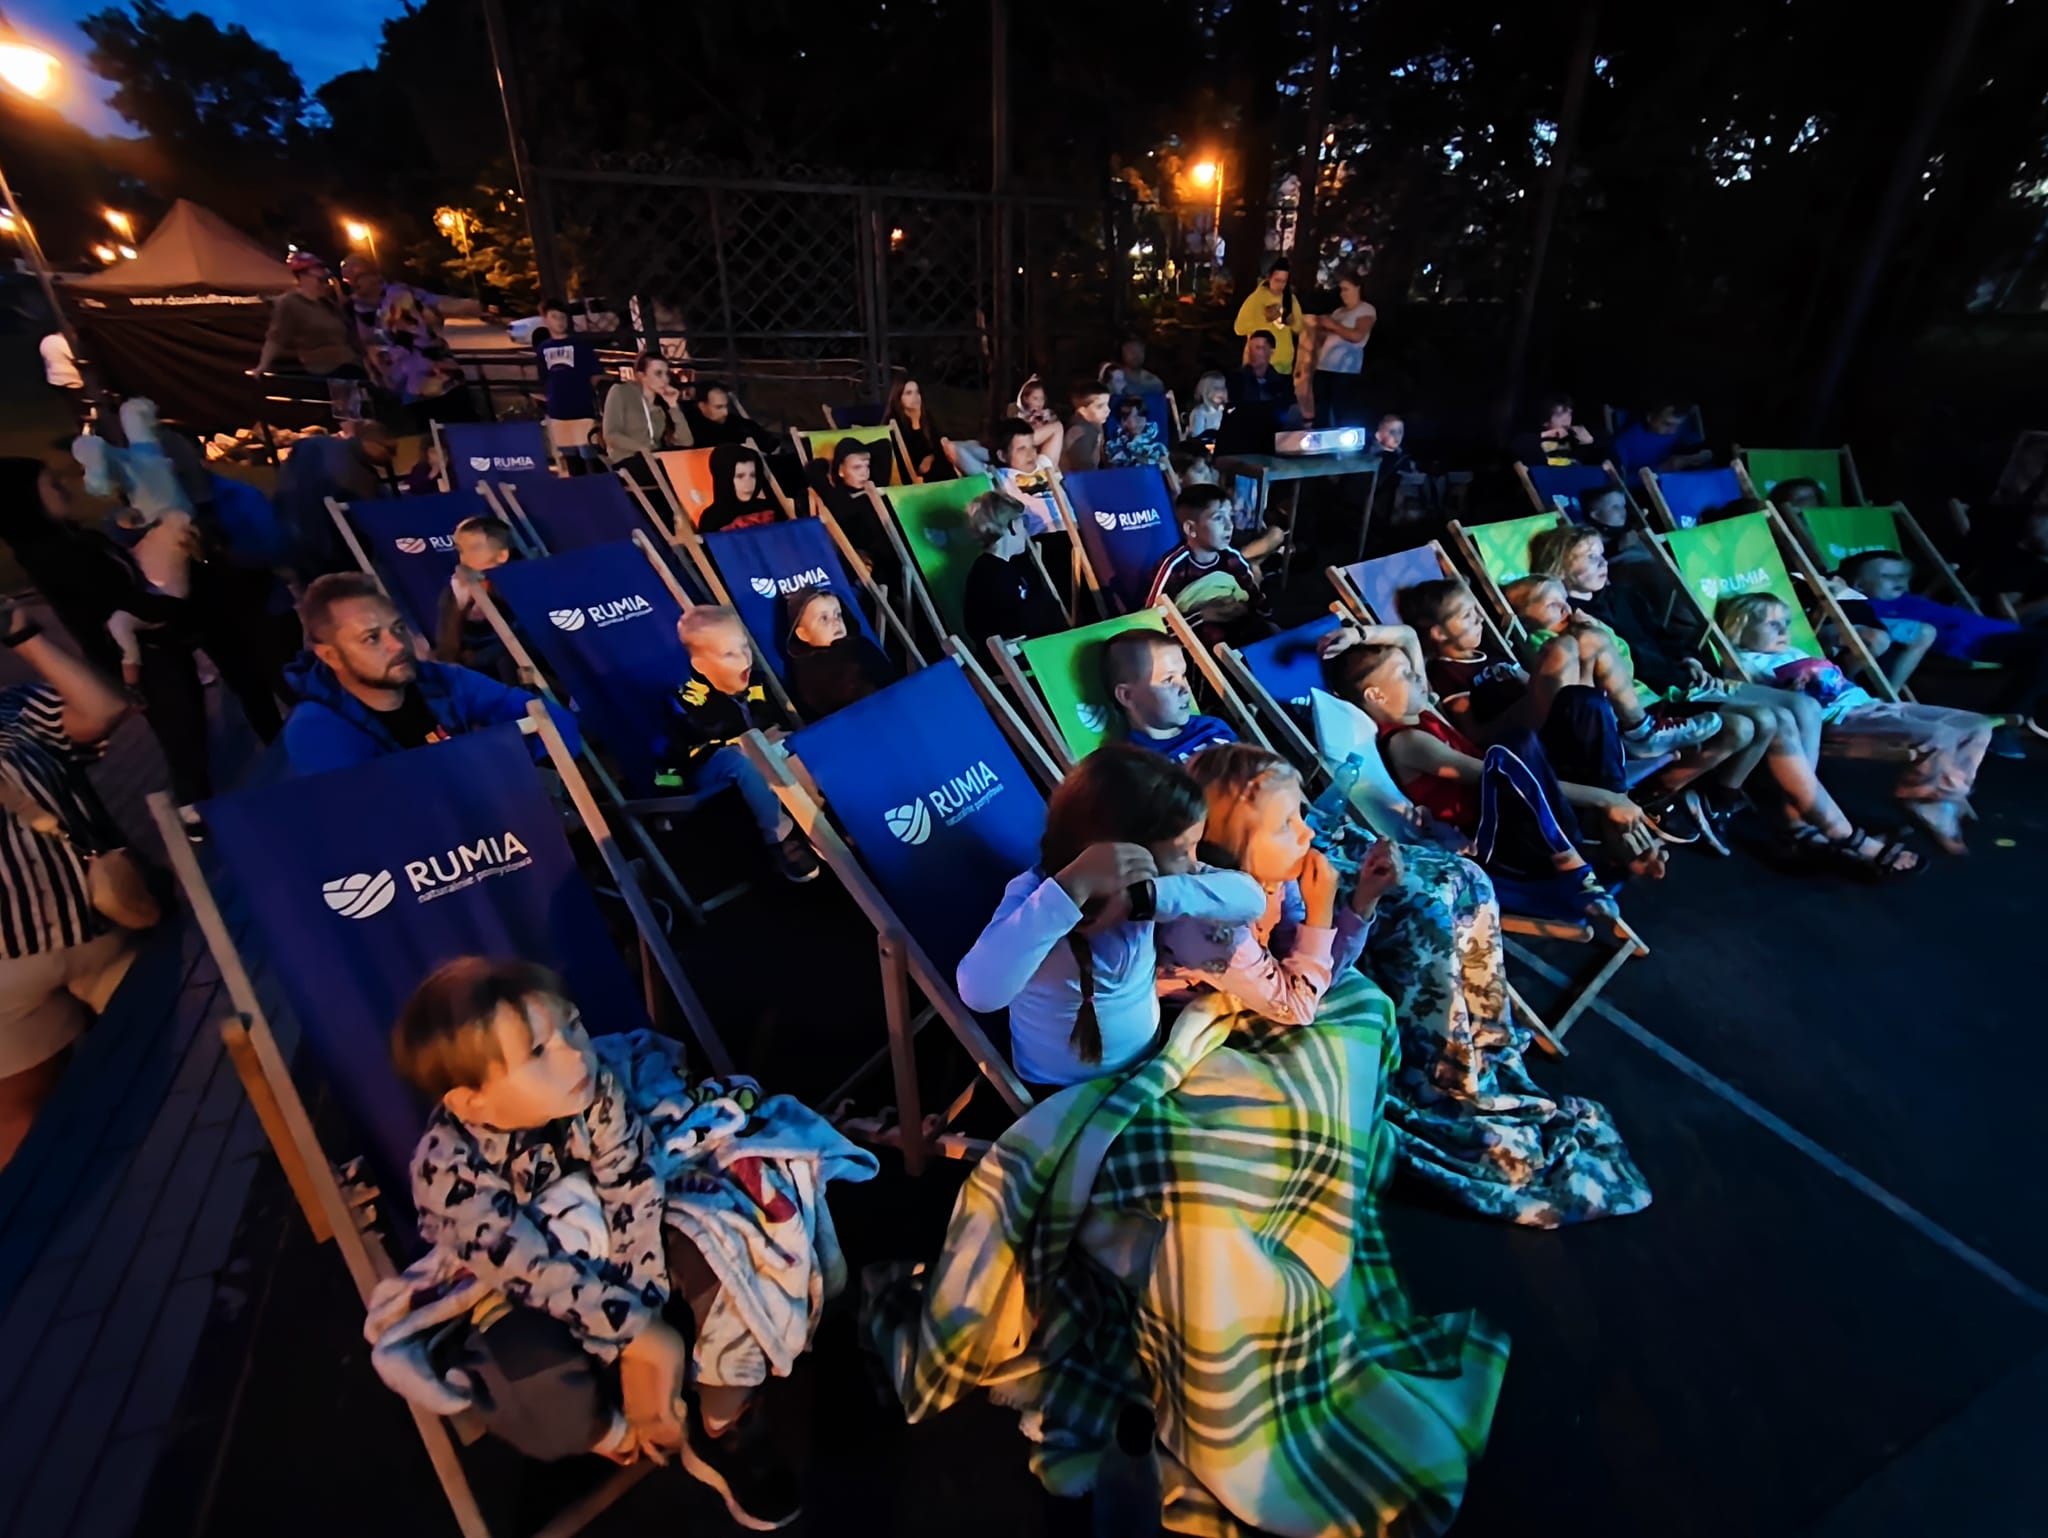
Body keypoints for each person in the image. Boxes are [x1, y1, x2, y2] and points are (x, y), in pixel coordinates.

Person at [369, 957, 876, 1528]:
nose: (575, 1053)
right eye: (538, 1053)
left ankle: (720, 1420)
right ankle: (616, 1435)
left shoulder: (595, 1086)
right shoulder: (449, 1179)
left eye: (573, 1026)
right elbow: (535, 1273)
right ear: (472, 1102)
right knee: (527, 1384)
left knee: (725, 1255)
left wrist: (646, 1309)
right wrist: (643, 1340)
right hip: (528, 1280)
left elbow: (632, 1189)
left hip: (606, 1237)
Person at [954, 745, 1266, 1090]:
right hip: (1059, 1092)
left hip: (1149, 1063)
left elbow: (1251, 900)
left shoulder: (1158, 887)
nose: (1195, 864)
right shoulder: (1033, 896)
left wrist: (1149, 897)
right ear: (1125, 852)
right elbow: (980, 993)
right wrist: (1070, 889)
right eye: (1183, 851)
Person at [1324, 638, 1649, 916]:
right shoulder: (1407, 742)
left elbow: (1408, 637)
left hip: (1530, 811)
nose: (1419, 678)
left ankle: (1619, 827)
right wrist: (1605, 799)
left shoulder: (1423, 714)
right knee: (1513, 747)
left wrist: (1360, 632)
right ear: (1376, 697)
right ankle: (1577, 863)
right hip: (1500, 843)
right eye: (1406, 675)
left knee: (1582, 702)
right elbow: (1499, 775)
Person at [0, 596, 140, 1169]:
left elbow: (103, 708)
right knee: (25, 1114)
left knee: (154, 1068)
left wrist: (23, 633)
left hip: (101, 924)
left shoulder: (14, 714)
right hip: (8, 968)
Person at [1719, 592, 1989, 857]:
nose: (1783, 630)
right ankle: (1925, 797)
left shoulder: (1791, 650)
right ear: (1740, 629)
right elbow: (1777, 705)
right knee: (1941, 735)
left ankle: (1943, 793)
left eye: (1786, 623)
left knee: (1976, 725)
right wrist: (1792, 688)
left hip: (1870, 705)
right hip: (1842, 718)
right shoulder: (1746, 662)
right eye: (1771, 624)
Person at [1162, 744, 1401, 1026]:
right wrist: (1320, 913)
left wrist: (1364, 900)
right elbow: (1297, 1007)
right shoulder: (1211, 921)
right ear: (1228, 851)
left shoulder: (1275, 880)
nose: (1307, 832)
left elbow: (1313, 975)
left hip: (1255, 991)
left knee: (1372, 998)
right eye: (1285, 825)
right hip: (1177, 1016)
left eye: (1299, 814)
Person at [1400, 577, 1721, 786]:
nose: (1480, 618)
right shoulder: (1446, 673)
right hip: (1520, 737)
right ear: (1438, 633)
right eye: (1467, 615)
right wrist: (1533, 692)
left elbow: (1532, 685)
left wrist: (1531, 680)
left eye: (1476, 611)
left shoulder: (1491, 653)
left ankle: (1640, 729)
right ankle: (1631, 738)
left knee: (1587, 638)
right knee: (1560, 645)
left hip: (1552, 716)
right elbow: (1474, 736)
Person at [282, 573, 578, 776]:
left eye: (398, 628)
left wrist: (537, 780)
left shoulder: (437, 680)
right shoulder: (318, 730)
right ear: (331, 655)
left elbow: (547, 717)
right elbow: (364, 821)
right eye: (371, 638)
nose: (397, 644)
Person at [662, 606, 820, 883]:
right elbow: (674, 754)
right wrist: (665, 800)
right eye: (729, 654)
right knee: (742, 758)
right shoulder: (686, 699)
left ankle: (818, 821)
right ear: (701, 666)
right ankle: (780, 837)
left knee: (791, 740)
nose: (744, 658)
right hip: (710, 766)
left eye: (745, 647)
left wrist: (773, 733)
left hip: (762, 755)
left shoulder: (757, 683)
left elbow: (774, 723)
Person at [1836, 547, 2048, 748]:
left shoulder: (1912, 599)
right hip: (1977, 643)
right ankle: (2003, 726)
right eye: (1888, 576)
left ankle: (2026, 721)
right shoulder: (1869, 608)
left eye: (1903, 575)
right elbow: (1882, 635)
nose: (1900, 581)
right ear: (1860, 585)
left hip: (2010, 632)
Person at [1144, 484, 1276, 650]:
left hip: (1240, 631)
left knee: (1267, 632)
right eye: (1219, 518)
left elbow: (1256, 600)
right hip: (1198, 648)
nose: (1230, 525)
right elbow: (1152, 624)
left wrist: (1249, 610)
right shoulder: (1173, 568)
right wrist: (1203, 615)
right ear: (1190, 528)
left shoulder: (1232, 558)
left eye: (1230, 516)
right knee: (1213, 636)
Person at [342, 261, 480, 421]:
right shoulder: (352, 310)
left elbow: (441, 303)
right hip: (404, 390)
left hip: (440, 379)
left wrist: (474, 306)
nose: (353, 283)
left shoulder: (401, 294)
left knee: (463, 428)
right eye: (347, 279)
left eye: (357, 277)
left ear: (375, 276)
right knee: (431, 439)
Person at [272, 420, 397, 581]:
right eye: (389, 450)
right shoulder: (356, 472)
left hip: (295, 542)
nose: (392, 457)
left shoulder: (317, 447)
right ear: (370, 442)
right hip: (327, 551)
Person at [1101, 629, 1238, 763]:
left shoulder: (1212, 728)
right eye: (1168, 680)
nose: (1185, 688)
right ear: (1127, 696)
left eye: (1183, 675)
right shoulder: (1136, 765)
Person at [256, 253, 365, 410]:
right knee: (349, 410)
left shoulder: (327, 302)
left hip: (350, 363)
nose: (323, 277)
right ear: (303, 275)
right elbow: (276, 336)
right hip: (326, 367)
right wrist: (263, 365)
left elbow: (347, 332)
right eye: (317, 272)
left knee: (363, 405)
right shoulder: (289, 303)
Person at [961, 491, 1065, 651]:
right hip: (1016, 653)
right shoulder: (988, 574)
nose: (1026, 531)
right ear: (1012, 527)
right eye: (1023, 523)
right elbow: (1016, 624)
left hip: (1035, 645)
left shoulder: (1015, 564)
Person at [780, 588, 893, 720]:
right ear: (803, 634)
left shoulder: (860, 645)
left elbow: (890, 678)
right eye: (824, 618)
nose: (836, 621)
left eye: (838, 615)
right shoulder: (806, 669)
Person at [810, 438, 900, 596]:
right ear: (841, 470)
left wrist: (856, 454)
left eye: (867, 466)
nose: (864, 472)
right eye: (856, 467)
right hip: (872, 555)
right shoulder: (836, 496)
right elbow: (814, 467)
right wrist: (837, 460)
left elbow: (884, 445)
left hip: (896, 546)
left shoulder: (874, 486)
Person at [434, 516, 518, 683]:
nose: (464, 558)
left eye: (474, 548)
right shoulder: (456, 588)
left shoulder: (516, 583)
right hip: (470, 664)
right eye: (461, 551)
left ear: (502, 555)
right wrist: (461, 605)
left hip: (508, 658)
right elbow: (446, 644)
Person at [534, 299, 602, 473]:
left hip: (583, 410)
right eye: (554, 317)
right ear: (545, 320)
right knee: (572, 462)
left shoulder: (581, 346)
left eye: (563, 317)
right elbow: (544, 377)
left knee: (592, 459)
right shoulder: (543, 349)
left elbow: (596, 375)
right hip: (558, 412)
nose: (559, 321)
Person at [603, 351, 691, 487]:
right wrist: (643, 448)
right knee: (673, 470)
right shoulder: (621, 392)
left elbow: (686, 441)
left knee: (690, 463)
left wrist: (673, 406)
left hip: (655, 457)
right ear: (641, 376)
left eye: (666, 374)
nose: (665, 380)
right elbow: (611, 434)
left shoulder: (661, 403)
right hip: (628, 459)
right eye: (658, 373)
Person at [1310, 272, 1376, 429]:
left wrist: (1333, 325)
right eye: (1341, 290)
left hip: (1345, 371)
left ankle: (1342, 446)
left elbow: (1357, 335)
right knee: (1320, 411)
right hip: (1324, 367)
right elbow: (1327, 338)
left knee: (1342, 411)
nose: (1343, 294)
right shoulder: (1338, 312)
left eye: (1346, 289)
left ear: (1357, 288)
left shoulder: (1365, 310)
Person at [1232, 259, 1306, 372]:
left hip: (1284, 364)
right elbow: (1239, 328)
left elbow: (1299, 327)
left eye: (1284, 281)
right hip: (1259, 364)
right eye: (1277, 280)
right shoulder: (1257, 298)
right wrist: (1264, 317)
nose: (1280, 285)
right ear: (1269, 278)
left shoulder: (1290, 299)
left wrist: (1292, 322)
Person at [1611, 400, 1711, 478]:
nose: (1673, 431)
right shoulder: (1624, 442)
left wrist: (1699, 455)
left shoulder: (1681, 430)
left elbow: (1695, 445)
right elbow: (1619, 482)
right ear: (1650, 417)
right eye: (1667, 424)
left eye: (1678, 425)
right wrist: (1660, 469)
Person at [1510, 393, 1611, 470]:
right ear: (1546, 421)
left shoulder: (1575, 442)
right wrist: (1552, 435)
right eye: (1559, 415)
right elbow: (1517, 446)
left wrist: (1592, 441)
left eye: (1569, 414)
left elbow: (1606, 444)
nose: (1566, 420)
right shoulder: (1529, 441)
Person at [697, 445, 782, 534]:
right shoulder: (713, 517)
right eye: (740, 476)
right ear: (724, 479)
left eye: (752, 475)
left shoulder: (769, 507)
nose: (748, 483)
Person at [886, 377, 954, 481]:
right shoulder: (893, 423)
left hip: (935, 468)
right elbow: (902, 459)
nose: (915, 397)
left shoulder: (926, 417)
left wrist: (931, 457)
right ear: (898, 397)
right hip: (911, 475)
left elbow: (939, 444)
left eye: (917, 392)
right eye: (909, 393)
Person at [1224, 330, 1298, 422]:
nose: (1253, 353)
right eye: (1250, 349)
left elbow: (1290, 413)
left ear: (1271, 351)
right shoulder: (1235, 379)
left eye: (1259, 348)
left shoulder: (1284, 383)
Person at [686, 384, 769, 451]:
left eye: (726, 406)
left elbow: (770, 444)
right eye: (719, 407)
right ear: (702, 406)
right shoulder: (688, 427)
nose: (725, 412)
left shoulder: (741, 425)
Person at [1103, 398, 1169, 470]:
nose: (1140, 421)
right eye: (1135, 417)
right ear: (1123, 421)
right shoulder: (1114, 445)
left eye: (1143, 415)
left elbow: (1167, 469)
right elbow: (1111, 470)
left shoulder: (1157, 446)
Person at [1061, 382, 1109, 473]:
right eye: (1100, 406)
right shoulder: (1081, 434)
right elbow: (1085, 473)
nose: (1107, 410)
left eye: (1107, 404)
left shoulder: (1096, 423)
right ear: (1083, 411)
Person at [1013, 377, 1064, 460]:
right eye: (1035, 398)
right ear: (1026, 399)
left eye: (1042, 399)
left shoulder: (1047, 414)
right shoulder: (1022, 415)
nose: (1039, 402)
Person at [1183, 372, 1228, 441]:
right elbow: (1198, 436)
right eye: (1216, 388)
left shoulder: (1225, 410)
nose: (1221, 392)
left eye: (1223, 388)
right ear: (1205, 390)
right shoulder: (1200, 412)